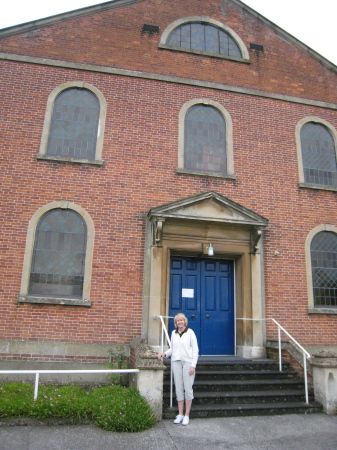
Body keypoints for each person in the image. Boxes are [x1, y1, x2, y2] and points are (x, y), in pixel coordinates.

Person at [158, 312, 199, 426]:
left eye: (181, 320)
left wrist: (193, 365)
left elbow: (195, 350)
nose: (180, 322)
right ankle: (180, 414)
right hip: (176, 362)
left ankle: (187, 415)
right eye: (177, 321)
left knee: (188, 388)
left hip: (188, 362)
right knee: (179, 388)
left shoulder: (190, 332)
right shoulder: (173, 333)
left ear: (185, 321)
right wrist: (164, 354)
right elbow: (173, 349)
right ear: (175, 323)